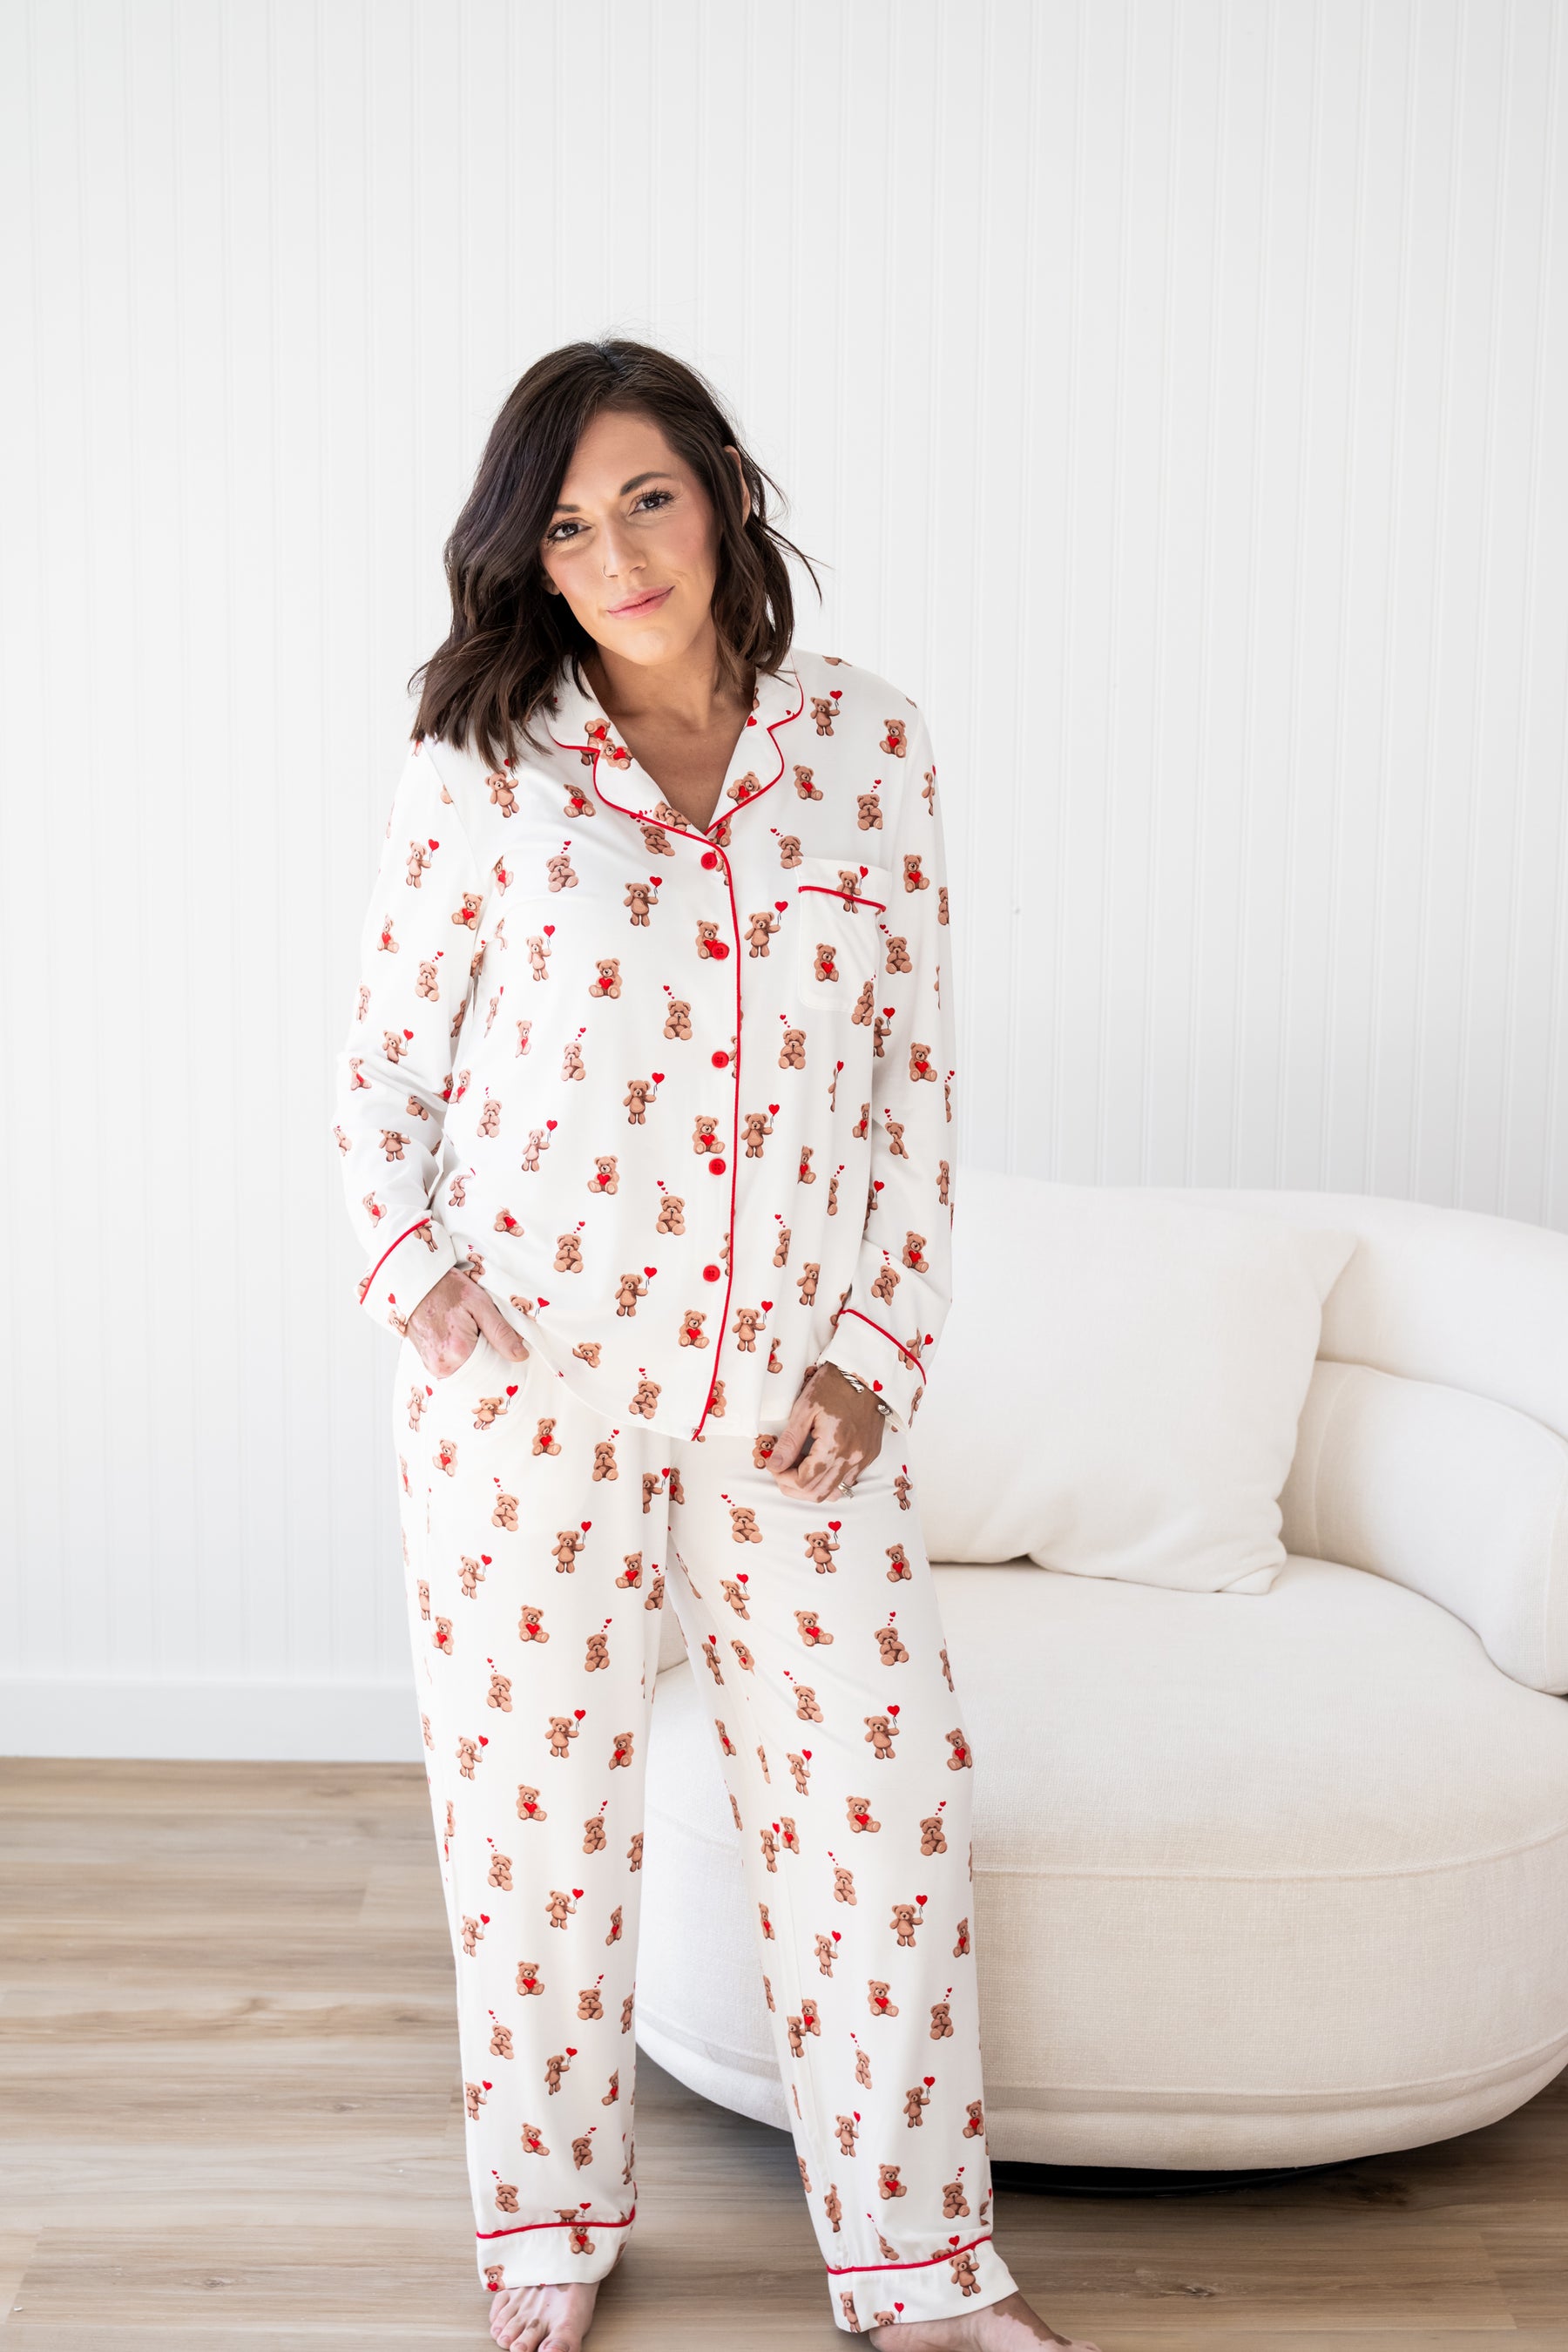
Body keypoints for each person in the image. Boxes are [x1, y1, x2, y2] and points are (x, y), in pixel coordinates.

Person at [330, 338, 1102, 2352]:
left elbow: (916, 1090)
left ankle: (921, 2273)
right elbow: (381, 1078)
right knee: (533, 1828)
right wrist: (429, 1297)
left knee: (877, 1808)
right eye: (567, 526)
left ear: (727, 490)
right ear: (533, 563)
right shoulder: (484, 764)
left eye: (644, 498)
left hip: (794, 1413)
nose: (615, 552)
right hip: (531, 1402)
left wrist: (871, 1351)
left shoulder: (870, 748)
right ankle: (545, 2238)